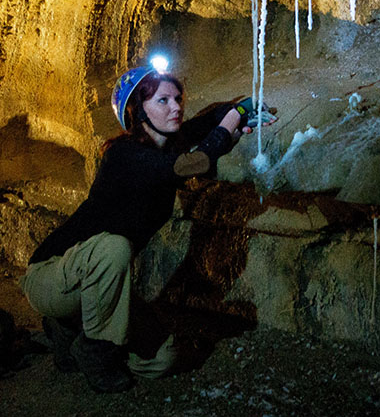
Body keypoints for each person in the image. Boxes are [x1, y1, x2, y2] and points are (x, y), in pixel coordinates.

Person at [19, 58, 272, 392]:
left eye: (178, 99)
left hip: (94, 281)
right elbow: (196, 161)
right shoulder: (124, 155)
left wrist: (240, 106)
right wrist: (231, 124)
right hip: (50, 277)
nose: (176, 107)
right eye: (162, 101)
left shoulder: (165, 146)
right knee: (114, 246)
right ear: (138, 112)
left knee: (162, 359)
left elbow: (203, 122)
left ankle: (70, 329)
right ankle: (95, 352)